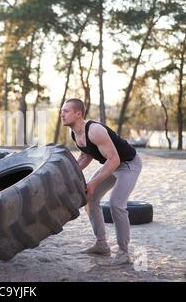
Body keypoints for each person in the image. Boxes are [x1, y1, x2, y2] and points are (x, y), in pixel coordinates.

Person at [61, 98, 142, 265]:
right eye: (61, 110)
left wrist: (93, 183)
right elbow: (85, 155)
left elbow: (114, 160)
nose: (62, 114)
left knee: (116, 204)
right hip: (112, 164)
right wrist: (68, 175)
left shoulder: (94, 130)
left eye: (66, 110)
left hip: (127, 164)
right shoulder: (75, 134)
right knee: (89, 199)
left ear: (78, 113)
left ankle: (124, 253)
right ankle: (102, 244)